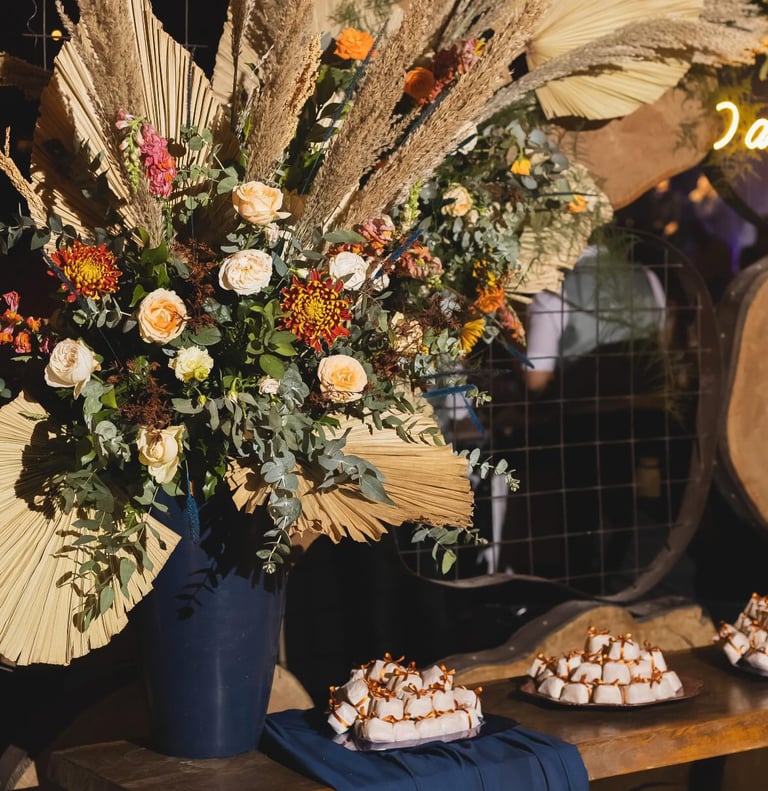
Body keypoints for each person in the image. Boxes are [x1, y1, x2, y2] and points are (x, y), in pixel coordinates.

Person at [523, 244, 667, 392]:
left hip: (581, 401)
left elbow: (535, 381)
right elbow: (663, 351)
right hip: (643, 399)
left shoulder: (550, 295)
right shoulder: (646, 276)